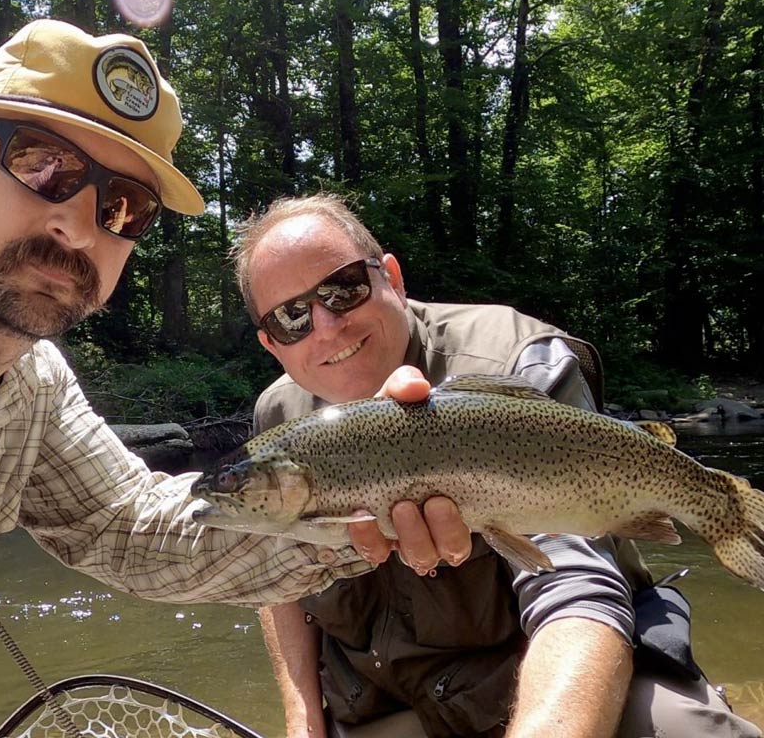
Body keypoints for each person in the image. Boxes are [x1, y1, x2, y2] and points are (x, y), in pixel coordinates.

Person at [0, 20, 432, 736]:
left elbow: (132, 528)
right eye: (42, 164)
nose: (77, 223)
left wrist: (356, 516)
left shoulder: (29, 380)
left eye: (123, 205)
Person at [233, 193, 761, 738]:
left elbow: (577, 588)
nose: (325, 325)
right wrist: (302, 722)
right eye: (292, 316)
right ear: (271, 343)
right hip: (395, 704)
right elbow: (280, 580)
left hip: (550, 675)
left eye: (342, 288)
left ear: (390, 276)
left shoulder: (517, 361)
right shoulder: (279, 421)